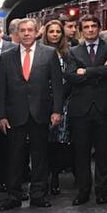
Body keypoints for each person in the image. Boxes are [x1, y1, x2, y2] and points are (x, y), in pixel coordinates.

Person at [0, 18, 64, 210]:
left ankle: (38, 195)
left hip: (40, 113)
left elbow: (57, 86)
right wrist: (1, 115)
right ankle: (13, 196)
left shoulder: (49, 54)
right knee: (14, 157)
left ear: (36, 33)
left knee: (40, 156)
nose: (26, 33)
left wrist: (57, 110)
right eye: (23, 30)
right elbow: (0, 89)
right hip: (14, 115)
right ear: (17, 33)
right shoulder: (7, 57)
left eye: (30, 30)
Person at [65, 15, 107, 205]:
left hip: (104, 107)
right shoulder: (73, 51)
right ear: (81, 30)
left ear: (98, 28)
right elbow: (71, 76)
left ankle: (103, 190)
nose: (90, 30)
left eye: (93, 26)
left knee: (104, 151)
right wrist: (99, 71)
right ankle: (83, 190)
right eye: (86, 27)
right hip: (80, 109)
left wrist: (86, 71)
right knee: (81, 152)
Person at [41, 19, 72, 196]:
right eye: (51, 31)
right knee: (42, 143)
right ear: (46, 33)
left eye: (57, 32)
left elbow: (70, 77)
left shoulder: (68, 54)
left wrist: (60, 96)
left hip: (63, 104)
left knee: (58, 142)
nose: (54, 34)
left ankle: (54, 177)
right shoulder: (40, 52)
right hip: (43, 103)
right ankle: (43, 178)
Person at [0, 19, 17, 200]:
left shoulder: (13, 50)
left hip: (12, 108)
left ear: (0, 33)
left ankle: (13, 185)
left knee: (12, 148)